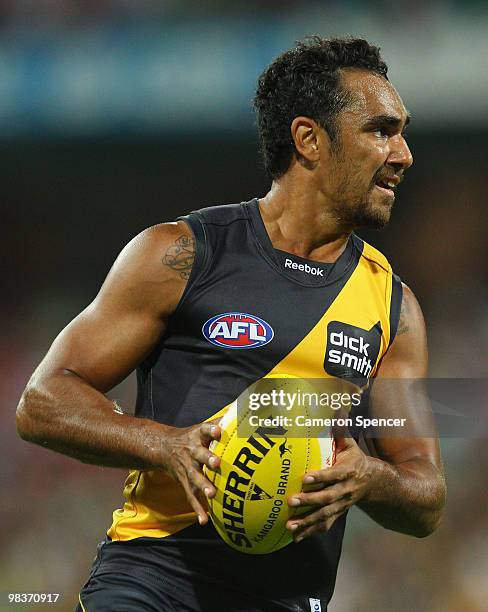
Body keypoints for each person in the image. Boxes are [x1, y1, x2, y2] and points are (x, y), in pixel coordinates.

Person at [16, 36, 446, 611]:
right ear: (309, 139)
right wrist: (166, 445)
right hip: (152, 577)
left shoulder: (394, 309)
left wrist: (369, 478)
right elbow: (42, 401)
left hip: (287, 598)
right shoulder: (181, 255)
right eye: (380, 130)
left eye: (402, 132)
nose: (403, 153)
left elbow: (426, 492)